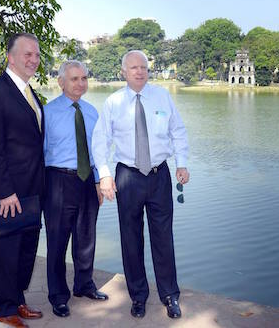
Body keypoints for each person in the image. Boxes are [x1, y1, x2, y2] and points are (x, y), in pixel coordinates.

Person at [92, 50, 189, 319]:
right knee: (131, 238)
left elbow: (178, 131)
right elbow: (101, 141)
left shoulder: (162, 96)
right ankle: (138, 296)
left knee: (163, 237)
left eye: (144, 67)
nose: (139, 71)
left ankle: (170, 295)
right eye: (134, 68)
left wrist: (182, 163)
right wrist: (104, 175)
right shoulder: (113, 102)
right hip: (128, 177)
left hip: (159, 175)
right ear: (124, 72)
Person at [0, 33, 45, 328]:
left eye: (37, 55)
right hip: (7, 193)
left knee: (25, 250)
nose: (34, 60)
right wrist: (5, 192)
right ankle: (3, 309)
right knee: (6, 251)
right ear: (10, 57)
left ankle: (17, 300)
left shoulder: (30, 93)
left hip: (31, 190)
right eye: (27, 54)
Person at [43, 60, 108, 318]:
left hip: (87, 180)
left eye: (84, 78)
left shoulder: (92, 112)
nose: (81, 83)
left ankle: (84, 285)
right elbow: (39, 152)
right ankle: (58, 296)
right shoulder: (47, 113)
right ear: (61, 82)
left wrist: (99, 181)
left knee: (86, 237)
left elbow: (98, 151)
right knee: (57, 241)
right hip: (58, 181)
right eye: (74, 79)